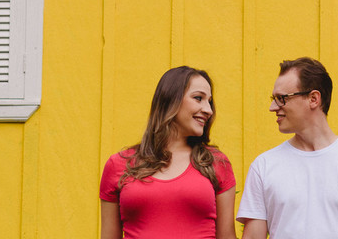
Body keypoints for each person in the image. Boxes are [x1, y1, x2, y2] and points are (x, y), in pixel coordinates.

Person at [237, 57, 338, 239]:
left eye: (281, 99)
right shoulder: (263, 166)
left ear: (313, 99)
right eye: (274, 99)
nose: (273, 107)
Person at [100, 66, 237, 239]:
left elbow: (226, 236)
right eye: (198, 98)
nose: (208, 110)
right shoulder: (119, 164)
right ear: (171, 99)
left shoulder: (216, 163)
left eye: (209, 102)